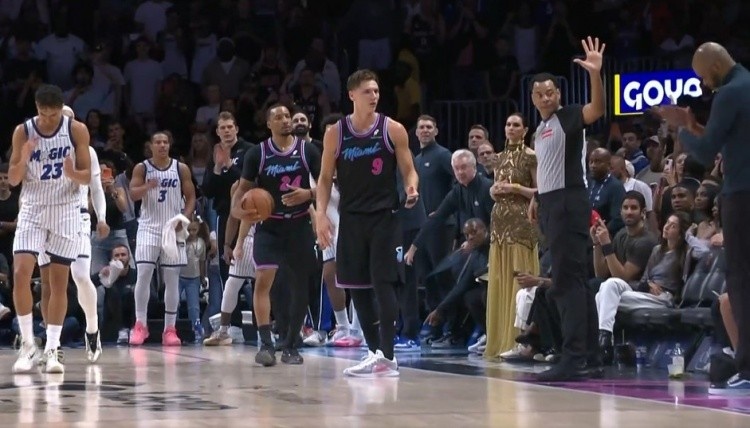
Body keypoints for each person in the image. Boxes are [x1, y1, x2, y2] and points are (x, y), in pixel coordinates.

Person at [655, 42, 750, 395]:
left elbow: (706, 153)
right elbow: (725, 142)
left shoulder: (729, 92)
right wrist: (694, 125)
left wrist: (679, 129)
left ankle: (748, 369)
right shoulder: (746, 84)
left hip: (741, 194)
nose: (704, 84)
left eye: (703, 77)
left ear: (714, 67)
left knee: (741, 282)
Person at [315, 69, 419, 378]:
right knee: (356, 287)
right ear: (352, 95)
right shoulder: (336, 133)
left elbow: (409, 170)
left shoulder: (392, 129)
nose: (374, 96)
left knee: (383, 283)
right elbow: (324, 178)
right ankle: (375, 353)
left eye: (376, 91)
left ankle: (388, 355)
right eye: (367, 91)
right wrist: (320, 214)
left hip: (384, 217)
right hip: (351, 217)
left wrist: (411, 187)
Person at [527, 37, 606, 381]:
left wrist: (595, 74)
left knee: (565, 282)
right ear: (533, 99)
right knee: (576, 281)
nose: (546, 97)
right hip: (552, 201)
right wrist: (537, 196)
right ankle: (590, 356)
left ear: (558, 94)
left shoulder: (568, 116)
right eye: (540, 94)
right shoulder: (541, 130)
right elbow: (548, 168)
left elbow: (597, 109)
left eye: (551, 92)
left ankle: (573, 358)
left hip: (568, 202)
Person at [228, 104, 320, 366]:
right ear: (269, 124)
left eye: (287, 116)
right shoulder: (257, 154)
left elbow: (326, 186)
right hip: (269, 227)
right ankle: (266, 344)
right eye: (278, 117)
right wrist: (238, 210)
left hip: (299, 225)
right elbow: (242, 192)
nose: (285, 120)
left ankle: (291, 345)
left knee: (300, 286)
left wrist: (308, 194)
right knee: (263, 282)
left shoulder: (307, 150)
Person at [8, 84, 92, 374]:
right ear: (36, 109)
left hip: (65, 209)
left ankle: (52, 349)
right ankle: (28, 344)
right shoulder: (23, 131)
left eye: (53, 114)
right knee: (20, 273)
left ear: (61, 109)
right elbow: (13, 179)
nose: (48, 119)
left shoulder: (76, 130)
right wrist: (24, 156)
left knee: (58, 283)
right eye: (43, 114)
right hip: (33, 207)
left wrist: (72, 173)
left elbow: (87, 177)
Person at [37, 105, 109, 364]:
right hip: (47, 218)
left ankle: (92, 328)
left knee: (79, 275)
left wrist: (102, 217)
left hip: (77, 216)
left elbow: (97, 188)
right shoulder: (41, 148)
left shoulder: (87, 151)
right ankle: (52, 345)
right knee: (48, 283)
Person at [128, 130, 196, 346]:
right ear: (151, 146)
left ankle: (170, 329)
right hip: (148, 227)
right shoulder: (142, 168)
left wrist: (184, 218)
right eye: (158, 142)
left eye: (165, 142)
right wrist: (147, 186)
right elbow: (133, 194)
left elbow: (191, 197)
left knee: (172, 279)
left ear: (170, 144)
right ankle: (140, 325)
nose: (162, 145)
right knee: (144, 275)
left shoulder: (180, 168)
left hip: (172, 228)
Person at [483, 113, 539, 360]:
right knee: (499, 278)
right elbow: (496, 189)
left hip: (521, 222)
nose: (511, 128)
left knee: (518, 277)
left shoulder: (530, 156)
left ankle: (519, 339)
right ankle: (497, 340)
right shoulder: (499, 157)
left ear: (525, 130)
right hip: (499, 223)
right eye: (507, 124)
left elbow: (539, 190)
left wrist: (514, 187)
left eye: (516, 125)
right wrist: (494, 190)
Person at [203, 180, 255, 346]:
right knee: (231, 284)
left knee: (268, 288)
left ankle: (271, 331)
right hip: (247, 237)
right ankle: (224, 330)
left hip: (270, 236)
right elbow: (233, 217)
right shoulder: (237, 187)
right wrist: (226, 245)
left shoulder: (271, 179)